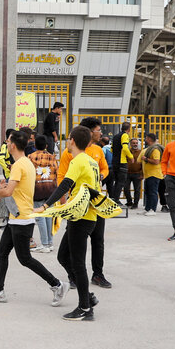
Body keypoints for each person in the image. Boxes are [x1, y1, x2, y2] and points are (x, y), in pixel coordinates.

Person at [0, 130, 62, 303]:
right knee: (2, 253)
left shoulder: (19, 165)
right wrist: (2, 189)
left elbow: (8, 191)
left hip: (22, 219)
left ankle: (57, 284)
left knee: (25, 259)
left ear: (13, 145)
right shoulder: (26, 162)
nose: (6, 144)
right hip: (16, 217)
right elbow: (13, 189)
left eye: (8, 141)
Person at [35, 125, 103, 319]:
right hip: (83, 216)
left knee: (78, 263)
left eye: (68, 138)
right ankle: (87, 297)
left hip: (82, 218)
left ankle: (85, 309)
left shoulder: (78, 161)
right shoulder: (90, 161)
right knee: (63, 256)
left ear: (72, 140)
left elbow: (65, 184)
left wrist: (46, 205)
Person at [57, 117, 112, 289]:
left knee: (98, 240)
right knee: (73, 244)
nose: (100, 133)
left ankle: (98, 274)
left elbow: (105, 168)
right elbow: (62, 175)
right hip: (78, 205)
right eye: (98, 130)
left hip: (96, 204)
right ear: (89, 132)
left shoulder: (98, 150)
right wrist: (62, 198)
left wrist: (101, 176)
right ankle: (74, 275)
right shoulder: (70, 152)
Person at [29, 135, 57, 252]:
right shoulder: (52, 157)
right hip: (51, 190)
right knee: (49, 215)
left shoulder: (30, 157)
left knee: (40, 217)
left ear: (35, 146)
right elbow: (56, 172)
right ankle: (50, 243)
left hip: (37, 190)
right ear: (46, 145)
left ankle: (44, 244)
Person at [138, 132, 164, 215]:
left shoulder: (155, 149)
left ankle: (153, 209)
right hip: (149, 174)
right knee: (148, 192)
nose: (145, 140)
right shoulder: (150, 148)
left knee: (153, 192)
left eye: (146, 138)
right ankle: (148, 209)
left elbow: (156, 161)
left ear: (149, 139)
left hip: (154, 174)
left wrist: (146, 159)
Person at [109, 121, 134, 201]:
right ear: (129, 129)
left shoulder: (116, 136)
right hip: (122, 162)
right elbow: (125, 148)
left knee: (116, 182)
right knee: (121, 182)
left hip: (114, 161)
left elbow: (111, 149)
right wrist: (131, 156)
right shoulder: (125, 135)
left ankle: (113, 198)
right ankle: (116, 200)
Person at [123, 136, 142, 209]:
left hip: (137, 173)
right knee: (126, 189)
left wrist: (142, 173)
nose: (135, 144)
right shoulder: (127, 152)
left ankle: (135, 204)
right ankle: (129, 202)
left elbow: (142, 164)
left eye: (136, 143)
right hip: (127, 173)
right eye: (133, 143)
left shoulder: (140, 152)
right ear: (130, 144)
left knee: (137, 190)